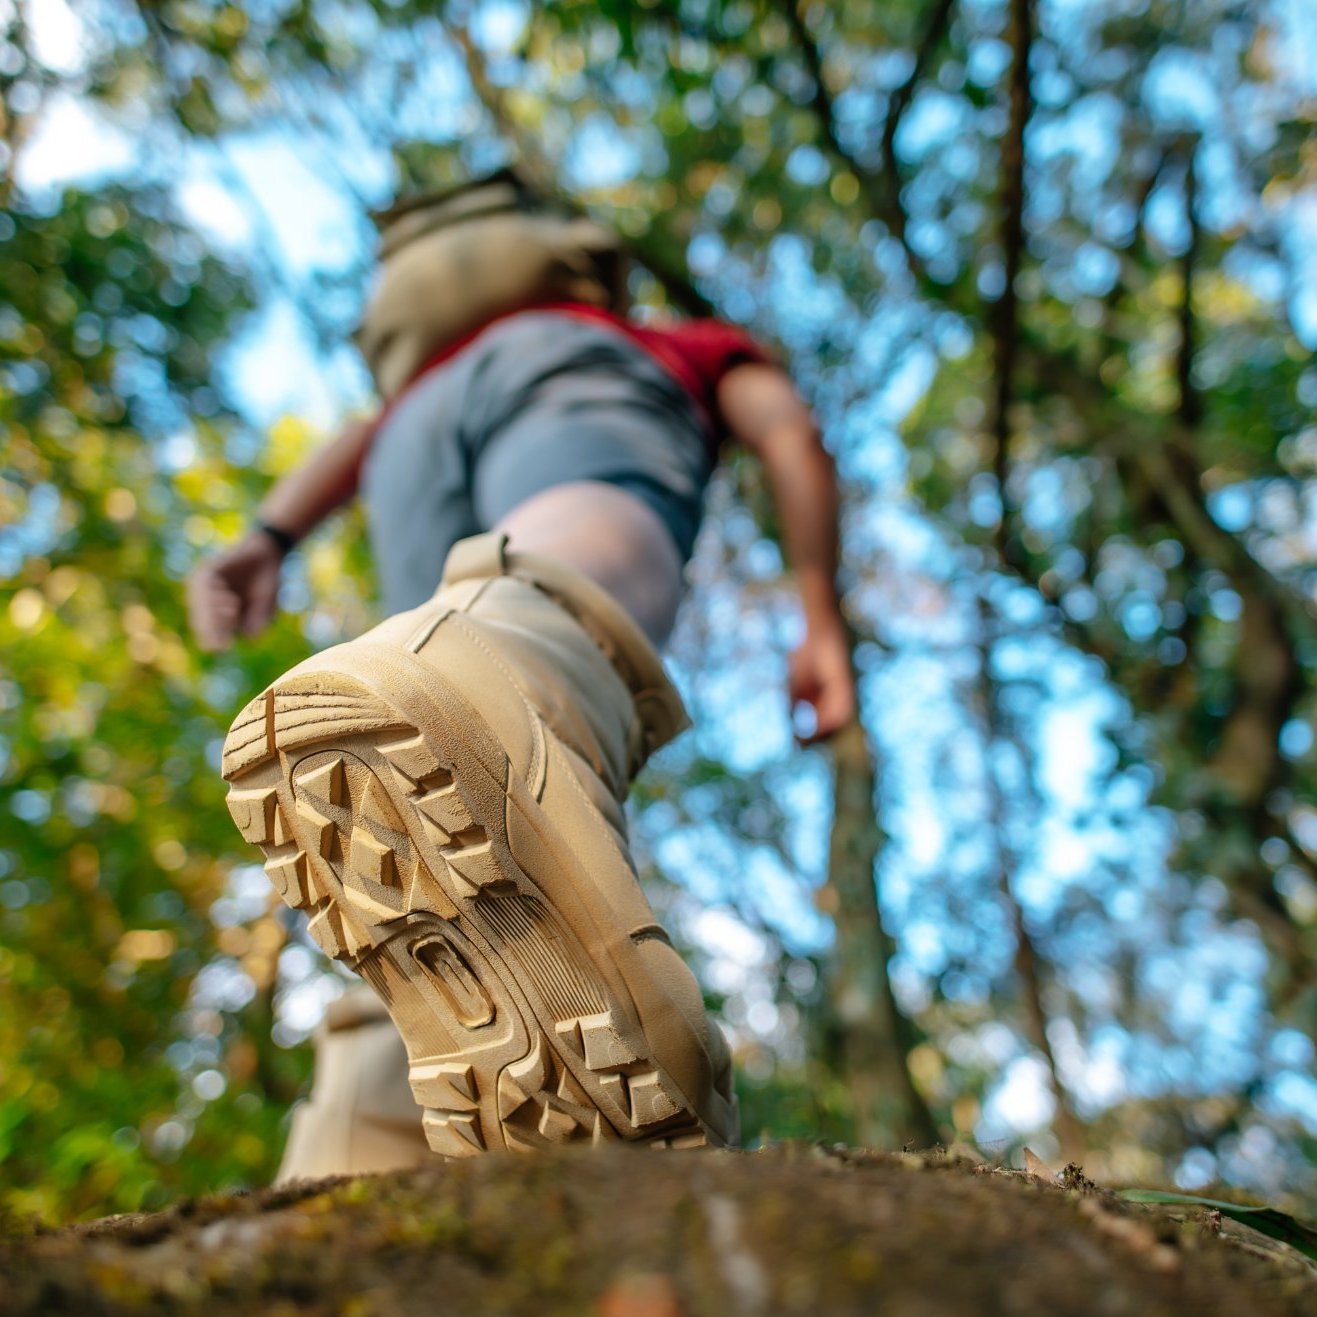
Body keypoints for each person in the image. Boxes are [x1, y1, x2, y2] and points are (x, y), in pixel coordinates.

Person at [187, 172, 855, 1178]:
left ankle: (358, 1142)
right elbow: (788, 433)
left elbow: (359, 438)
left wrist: (268, 535)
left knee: (426, 732)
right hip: (568, 376)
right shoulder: (667, 340)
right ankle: (511, 674)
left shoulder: (417, 380)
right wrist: (820, 614)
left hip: (407, 447)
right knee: (551, 582)